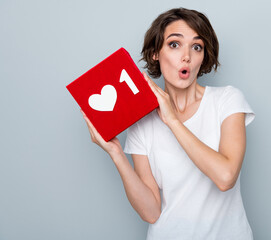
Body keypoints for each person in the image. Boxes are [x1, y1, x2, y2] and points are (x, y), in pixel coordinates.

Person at [81, 7, 255, 240]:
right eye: (174, 44)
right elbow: (151, 212)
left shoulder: (227, 100)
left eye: (196, 47)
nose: (186, 56)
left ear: (203, 55)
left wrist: (172, 120)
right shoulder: (142, 124)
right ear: (155, 53)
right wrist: (116, 153)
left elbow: (225, 178)